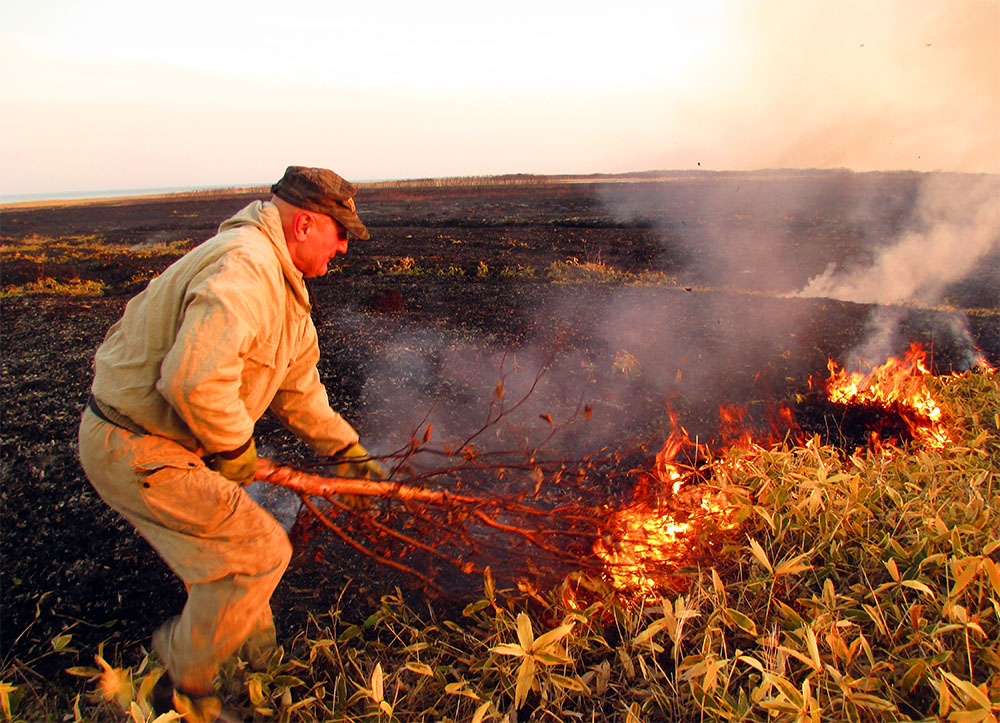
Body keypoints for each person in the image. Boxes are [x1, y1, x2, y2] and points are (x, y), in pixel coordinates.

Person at [78, 166, 384, 722]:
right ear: (305, 223)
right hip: (135, 444)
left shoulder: (284, 292)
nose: (343, 245)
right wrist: (235, 447)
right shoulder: (247, 268)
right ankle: (182, 684)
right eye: (339, 232)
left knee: (237, 560)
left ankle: (254, 670)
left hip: (162, 445)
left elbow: (300, 393)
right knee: (259, 551)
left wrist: (348, 455)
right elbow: (192, 378)